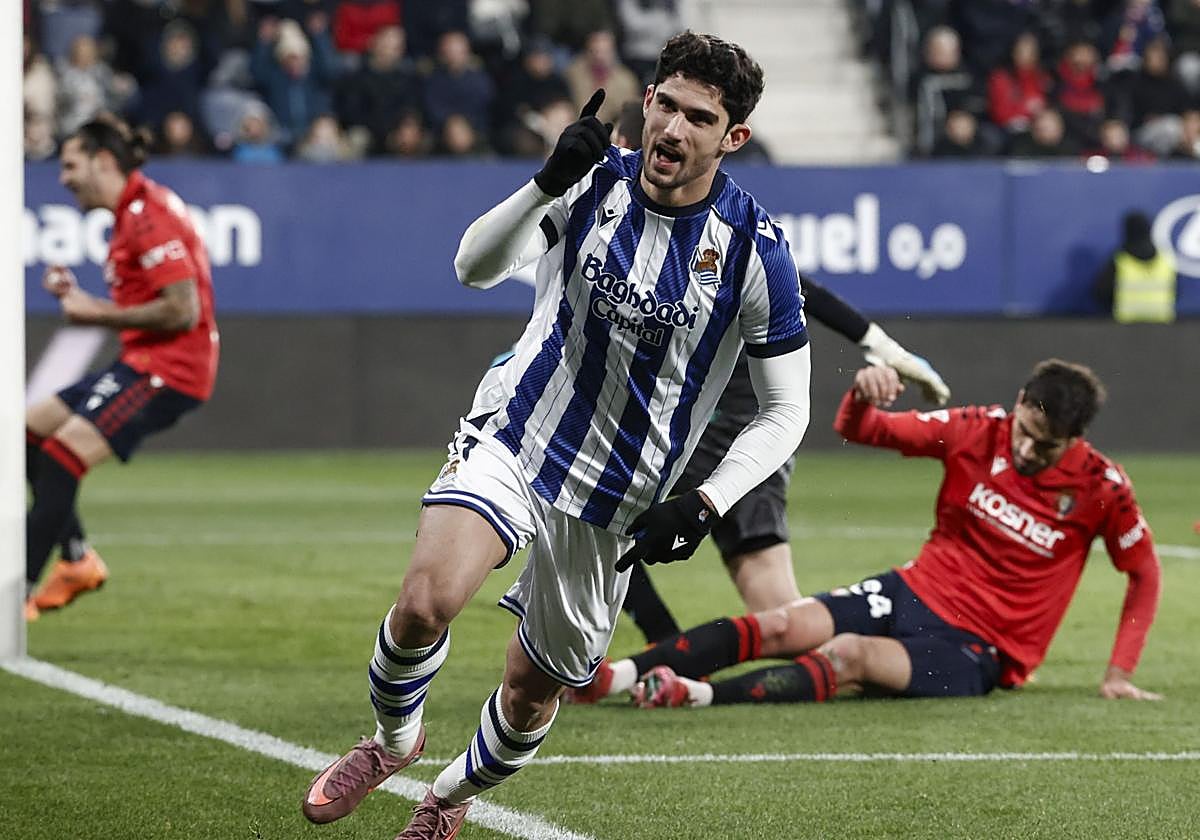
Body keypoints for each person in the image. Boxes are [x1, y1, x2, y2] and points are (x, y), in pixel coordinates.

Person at [302, 31, 812, 838]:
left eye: (699, 119)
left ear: (731, 138)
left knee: (533, 691)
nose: (673, 130)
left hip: (620, 496)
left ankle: (449, 798)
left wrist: (707, 502)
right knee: (425, 602)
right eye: (666, 106)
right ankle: (392, 741)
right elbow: (473, 267)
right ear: (646, 102)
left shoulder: (754, 249)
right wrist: (545, 180)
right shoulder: (590, 183)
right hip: (519, 430)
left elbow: (787, 410)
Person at [579, 360, 1162, 709]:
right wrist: (861, 394)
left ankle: (695, 695)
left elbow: (1144, 574)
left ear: (1077, 439)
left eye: (1047, 444)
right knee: (783, 622)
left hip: (981, 650)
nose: (1028, 449)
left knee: (850, 656)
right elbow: (865, 431)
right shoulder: (978, 430)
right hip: (911, 590)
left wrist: (1119, 672)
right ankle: (613, 677)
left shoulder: (1102, 486)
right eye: (1027, 431)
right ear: (1018, 405)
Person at [612, 277, 951, 647]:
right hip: (734, 435)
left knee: (787, 622)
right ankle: (663, 644)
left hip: (746, 433)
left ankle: (901, 648)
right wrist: (888, 350)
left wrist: (890, 352)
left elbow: (802, 290)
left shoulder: (736, 238)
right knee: (599, 516)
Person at [25, 115, 219, 622]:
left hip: (171, 368)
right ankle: (75, 560)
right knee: (25, 434)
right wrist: (80, 299)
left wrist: (95, 312)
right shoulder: (131, 213)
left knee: (61, 456)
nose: (63, 178)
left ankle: (13, 595)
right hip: (140, 359)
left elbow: (183, 311)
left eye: (70, 165)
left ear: (103, 161)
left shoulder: (148, 215)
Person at [1093, 210, 1177, 322]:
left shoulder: (1120, 260)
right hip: (1162, 324)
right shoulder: (1166, 259)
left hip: (1126, 325)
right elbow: (1176, 290)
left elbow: (1101, 292)